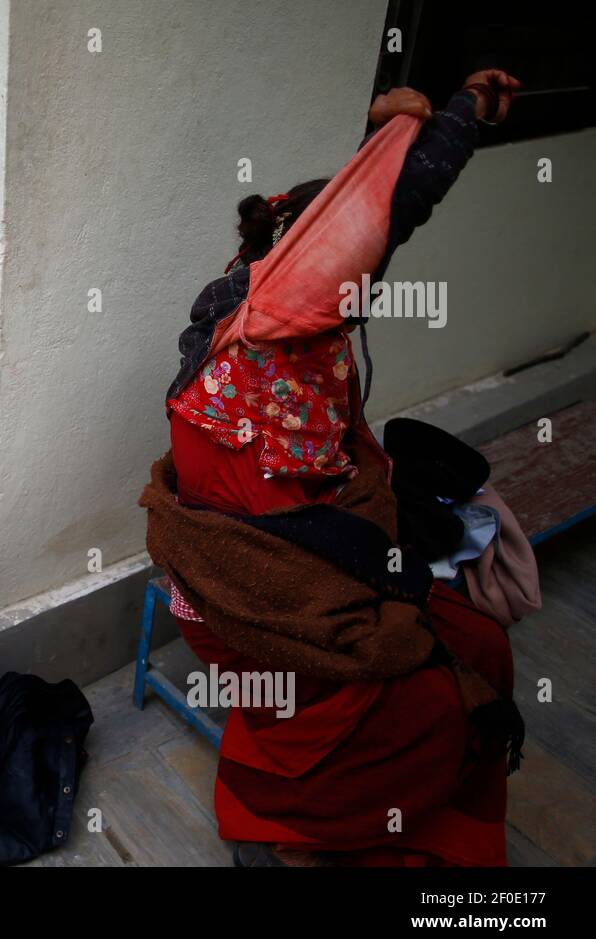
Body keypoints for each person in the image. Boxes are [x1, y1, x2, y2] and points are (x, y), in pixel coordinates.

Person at [140, 71, 525, 866]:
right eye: (354, 269)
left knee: (477, 647)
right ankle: (297, 841)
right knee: (423, 699)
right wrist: (459, 117)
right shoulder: (271, 321)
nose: (364, 284)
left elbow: (348, 221)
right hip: (247, 600)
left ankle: (371, 826)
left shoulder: (278, 318)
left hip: (287, 573)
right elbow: (385, 211)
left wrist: (389, 134)